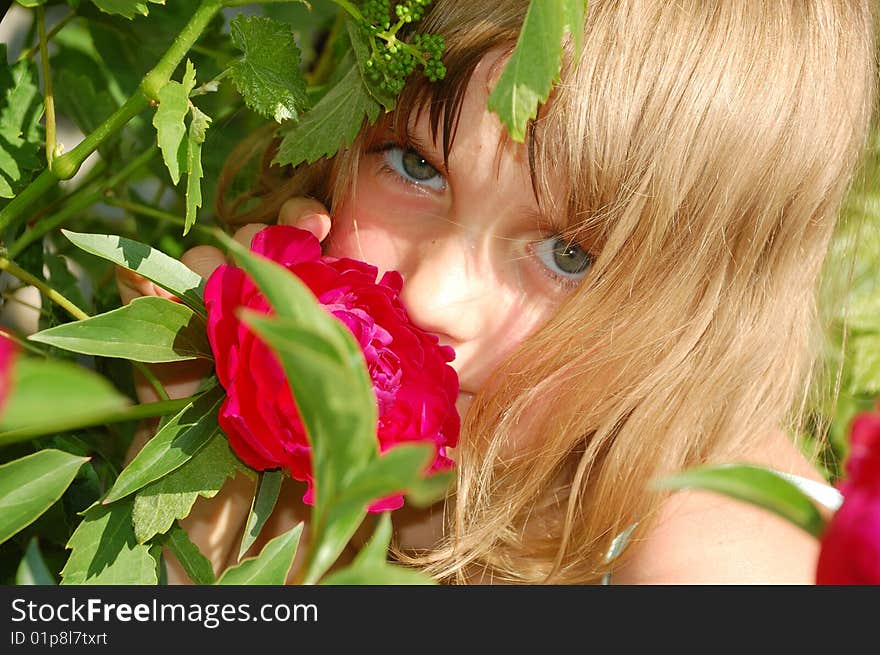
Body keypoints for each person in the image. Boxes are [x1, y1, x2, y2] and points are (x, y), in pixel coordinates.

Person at [117, 0, 879, 584]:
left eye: (569, 254)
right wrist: (214, 466)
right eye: (414, 166)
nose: (431, 299)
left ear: (709, 313)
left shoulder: (715, 562)